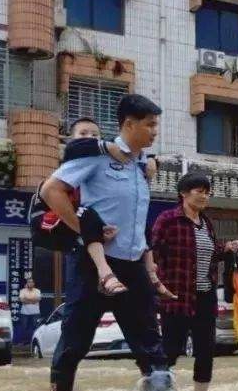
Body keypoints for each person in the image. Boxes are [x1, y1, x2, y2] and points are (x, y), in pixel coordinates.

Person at [38, 94, 175, 391]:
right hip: (92, 264)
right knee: (73, 346)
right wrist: (81, 229)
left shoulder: (143, 166)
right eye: (150, 124)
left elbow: (136, 223)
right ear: (129, 124)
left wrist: (150, 268)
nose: (155, 131)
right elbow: (50, 190)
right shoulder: (96, 156)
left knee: (151, 347)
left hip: (132, 267)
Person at [151, 172, 238, 391]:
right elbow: (152, 253)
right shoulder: (168, 219)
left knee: (205, 350)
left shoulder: (206, 224)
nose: (204, 196)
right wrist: (155, 285)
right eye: (199, 191)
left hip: (205, 297)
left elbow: (209, 254)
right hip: (176, 296)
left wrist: (227, 248)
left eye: (207, 192)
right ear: (183, 193)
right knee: (171, 349)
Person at [55, 117, 164, 298]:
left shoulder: (110, 159)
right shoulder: (75, 155)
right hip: (82, 242)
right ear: (71, 138)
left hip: (118, 249)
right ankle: (104, 272)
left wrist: (153, 160)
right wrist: (106, 146)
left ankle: (141, 275)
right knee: (88, 219)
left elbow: (134, 157)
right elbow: (75, 148)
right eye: (83, 133)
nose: (89, 137)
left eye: (94, 134)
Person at [18, 277, 42, 343]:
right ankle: (24, 342)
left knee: (36, 327)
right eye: (29, 282)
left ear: (34, 283)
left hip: (35, 312)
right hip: (25, 313)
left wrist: (27, 299)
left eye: (32, 282)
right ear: (27, 283)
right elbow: (22, 300)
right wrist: (33, 300)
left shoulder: (37, 291)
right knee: (24, 328)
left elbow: (38, 299)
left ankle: (35, 342)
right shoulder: (22, 291)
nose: (30, 283)